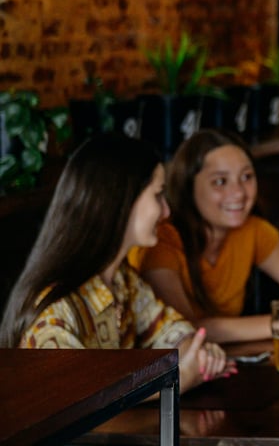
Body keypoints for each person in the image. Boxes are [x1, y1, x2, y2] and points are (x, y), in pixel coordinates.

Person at [0, 134, 232, 393]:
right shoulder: (55, 310)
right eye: (158, 196)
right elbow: (80, 400)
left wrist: (198, 353)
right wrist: (176, 382)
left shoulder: (122, 280)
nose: (166, 211)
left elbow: (172, 331)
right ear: (122, 200)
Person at [139, 129, 279, 343]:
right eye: (220, 181)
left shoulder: (252, 230)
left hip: (223, 363)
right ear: (188, 187)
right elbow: (185, 329)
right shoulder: (162, 240)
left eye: (246, 177)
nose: (239, 193)